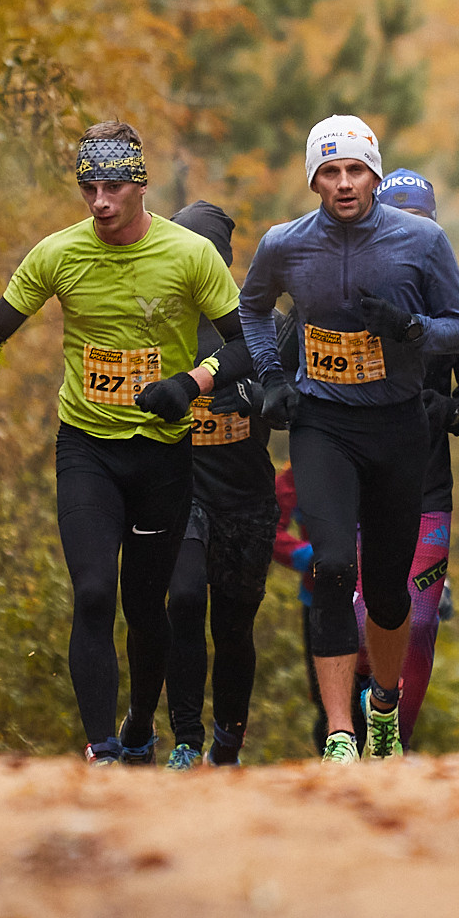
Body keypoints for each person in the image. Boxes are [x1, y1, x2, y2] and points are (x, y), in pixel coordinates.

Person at [0, 122, 249, 763]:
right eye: (89, 188)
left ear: (141, 185)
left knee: (146, 607)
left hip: (162, 453)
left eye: (113, 187)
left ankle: (140, 724)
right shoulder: (58, 254)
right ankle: (101, 750)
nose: (100, 201)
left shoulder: (190, 255)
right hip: (87, 448)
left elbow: (248, 345)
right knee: (93, 592)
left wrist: (188, 383)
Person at [239, 115, 459, 762]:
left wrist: (410, 328)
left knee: (389, 590)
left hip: (397, 424)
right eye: (330, 171)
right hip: (323, 423)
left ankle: (384, 709)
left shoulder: (421, 241)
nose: (343, 183)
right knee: (334, 565)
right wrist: (272, 377)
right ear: (313, 180)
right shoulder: (285, 243)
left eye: (354, 170)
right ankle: (340, 732)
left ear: (374, 174)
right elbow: (252, 307)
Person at [344, 167, 459, 748]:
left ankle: (392, 747)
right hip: (352, 483)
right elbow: (286, 359)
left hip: (425, 486)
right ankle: (346, 729)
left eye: (421, 223)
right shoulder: (343, 290)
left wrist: (446, 410)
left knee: (420, 620)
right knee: (364, 620)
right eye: (397, 222)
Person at [158, 203, 279, 769]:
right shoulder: (158, 325)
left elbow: (298, 404)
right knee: (183, 601)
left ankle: (227, 741)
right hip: (179, 490)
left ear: (225, 260)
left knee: (233, 628)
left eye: (206, 251)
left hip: (246, 498)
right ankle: (185, 738)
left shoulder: (264, 324)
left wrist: (260, 398)